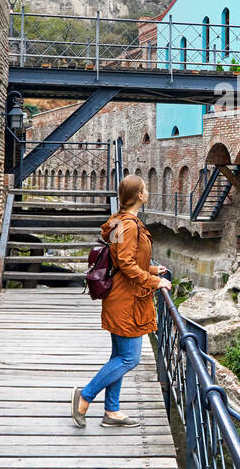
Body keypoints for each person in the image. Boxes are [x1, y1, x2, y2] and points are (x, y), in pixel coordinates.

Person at [71, 174, 171, 428]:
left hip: (121, 296)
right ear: (139, 195)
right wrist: (154, 282)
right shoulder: (127, 225)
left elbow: (121, 259)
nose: (147, 192)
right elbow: (125, 264)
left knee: (119, 355)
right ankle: (85, 395)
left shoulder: (119, 222)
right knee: (130, 359)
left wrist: (151, 269)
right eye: (145, 189)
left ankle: (112, 411)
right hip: (126, 300)